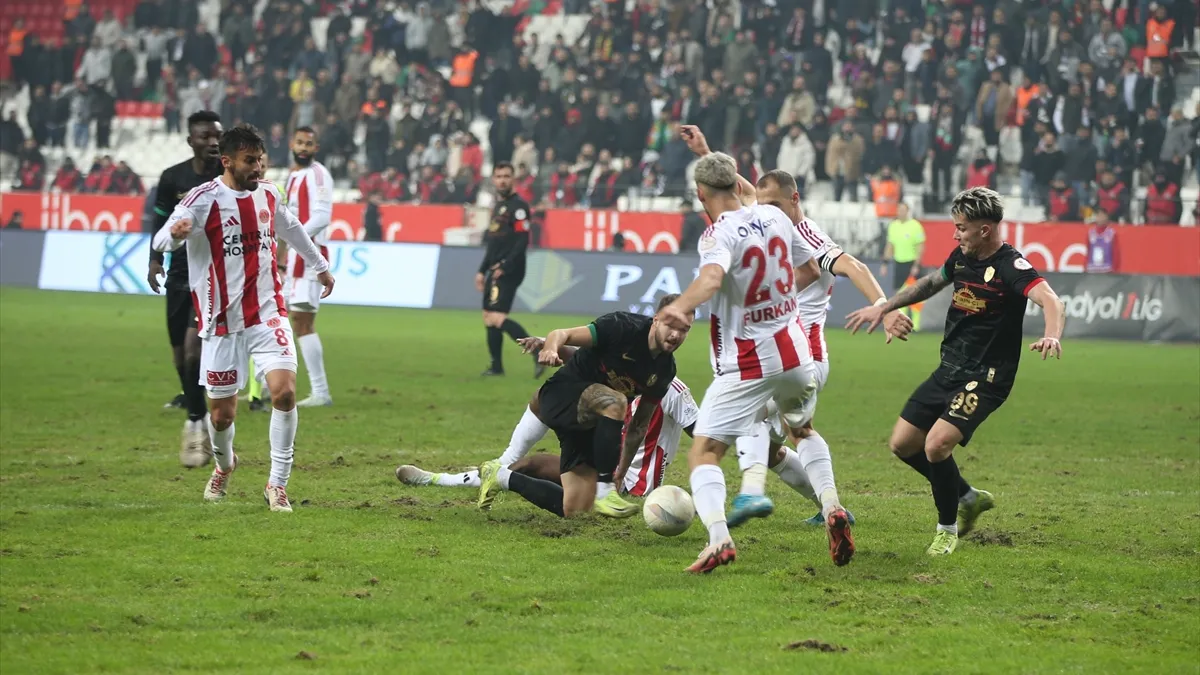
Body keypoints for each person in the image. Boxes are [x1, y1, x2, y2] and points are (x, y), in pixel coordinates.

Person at [657, 150, 853, 574]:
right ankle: (832, 505)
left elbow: (711, 278)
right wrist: (773, 299)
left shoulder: (716, 235)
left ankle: (719, 538)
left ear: (700, 194)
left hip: (747, 361)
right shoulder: (775, 217)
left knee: (705, 451)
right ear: (737, 183)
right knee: (802, 430)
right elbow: (809, 269)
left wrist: (680, 307)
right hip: (797, 354)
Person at [846, 187, 1066, 555]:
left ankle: (946, 530)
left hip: (987, 377)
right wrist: (885, 307)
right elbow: (930, 284)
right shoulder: (962, 257)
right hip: (949, 369)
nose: (955, 234)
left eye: (961, 228)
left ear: (984, 229)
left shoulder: (1011, 267)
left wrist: (1052, 335)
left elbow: (1051, 300)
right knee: (903, 445)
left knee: (936, 445)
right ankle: (967, 496)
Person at [152, 123, 336, 513]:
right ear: (227, 161)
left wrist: (320, 267)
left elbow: (293, 229)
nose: (258, 168)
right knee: (222, 416)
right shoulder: (202, 199)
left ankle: (277, 484)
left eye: (260, 160)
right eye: (250, 161)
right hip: (221, 323)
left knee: (284, 393)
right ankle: (224, 465)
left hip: (267, 312)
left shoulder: (268, 194)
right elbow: (161, 238)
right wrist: (176, 235)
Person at [730, 169, 910, 529]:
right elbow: (746, 192)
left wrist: (884, 307)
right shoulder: (769, 219)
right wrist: (706, 154)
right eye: (764, 205)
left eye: (776, 204)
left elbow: (854, 266)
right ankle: (831, 508)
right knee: (779, 444)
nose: (768, 211)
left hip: (803, 355)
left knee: (749, 416)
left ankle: (752, 492)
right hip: (787, 355)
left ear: (795, 199)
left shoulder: (806, 234)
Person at [475, 300, 691, 520]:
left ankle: (499, 476)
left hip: (590, 425)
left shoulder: (665, 370)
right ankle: (605, 491)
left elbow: (638, 426)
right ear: (656, 319)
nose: (676, 335)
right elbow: (561, 334)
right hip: (562, 394)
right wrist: (549, 348)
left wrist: (620, 474)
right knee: (616, 401)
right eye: (670, 325)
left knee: (576, 508)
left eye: (684, 329)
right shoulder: (622, 326)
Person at [146, 110, 223, 468]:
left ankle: (196, 424)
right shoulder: (172, 177)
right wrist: (154, 260)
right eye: (205, 136)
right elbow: (160, 221)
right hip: (177, 275)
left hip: (210, 277)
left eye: (217, 136)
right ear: (191, 141)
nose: (213, 142)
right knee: (179, 356)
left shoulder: (228, 176)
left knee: (193, 351)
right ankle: (197, 415)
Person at [283, 126, 335, 407]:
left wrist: (296, 238)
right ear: (292, 144)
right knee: (280, 319)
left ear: (316, 148)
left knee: (303, 321)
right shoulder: (293, 175)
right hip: (292, 259)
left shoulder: (319, 174)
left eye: (309, 143)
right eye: (299, 142)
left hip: (310, 257)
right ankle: (266, 385)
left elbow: (322, 216)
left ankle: (321, 392)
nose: (303, 147)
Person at [476, 162, 541, 378]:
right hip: (494, 268)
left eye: (506, 176)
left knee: (496, 317)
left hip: (509, 269)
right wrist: (481, 270)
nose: (502, 180)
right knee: (488, 316)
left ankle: (537, 350)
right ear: (493, 180)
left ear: (513, 179)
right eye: (499, 176)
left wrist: (505, 265)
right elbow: (493, 243)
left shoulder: (519, 207)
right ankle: (496, 367)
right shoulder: (498, 207)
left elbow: (522, 241)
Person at [880, 202, 926, 330]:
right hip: (899, 263)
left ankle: (916, 325)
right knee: (900, 294)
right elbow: (890, 245)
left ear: (908, 211)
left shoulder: (915, 226)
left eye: (903, 210)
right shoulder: (893, 226)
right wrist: (885, 263)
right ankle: (904, 323)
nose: (901, 212)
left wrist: (916, 264)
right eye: (899, 210)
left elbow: (920, 246)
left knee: (916, 294)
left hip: (911, 263)